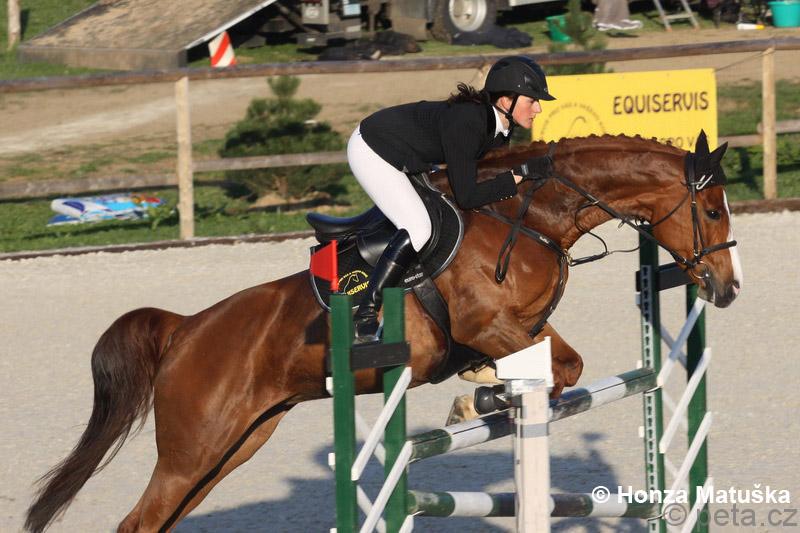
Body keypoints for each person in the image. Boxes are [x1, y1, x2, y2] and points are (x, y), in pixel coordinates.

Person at [347, 56, 557, 341]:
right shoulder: (469, 122)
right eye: (532, 100)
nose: (538, 109)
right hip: (374, 149)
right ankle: (366, 314)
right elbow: (468, 196)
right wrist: (518, 175)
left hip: (409, 154)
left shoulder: (500, 127)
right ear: (506, 101)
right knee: (419, 228)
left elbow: (485, 184)